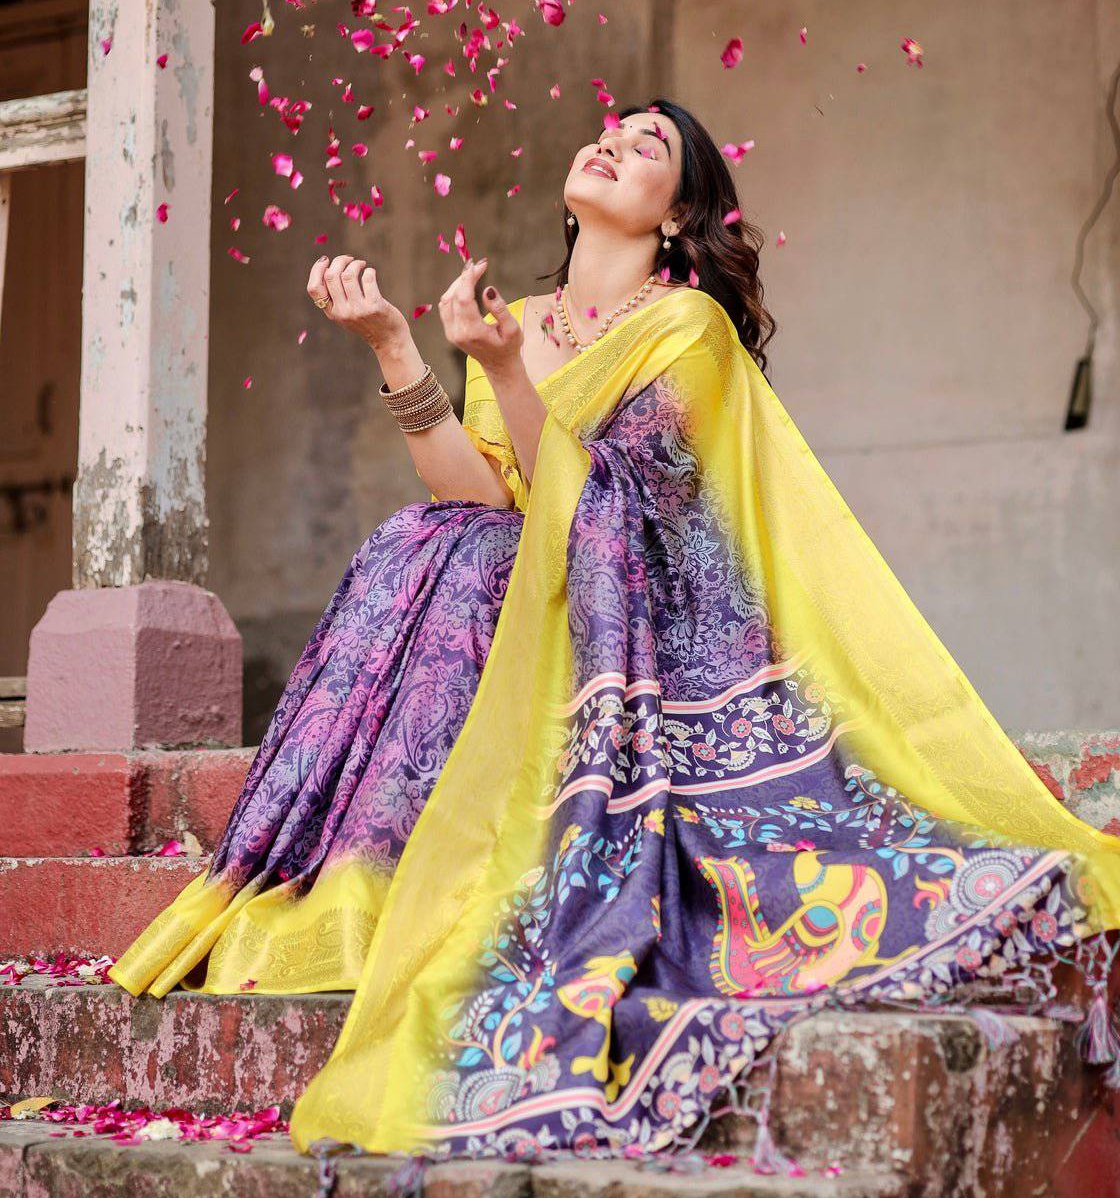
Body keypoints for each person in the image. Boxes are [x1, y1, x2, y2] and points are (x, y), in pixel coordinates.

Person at [109, 99, 1120, 1171]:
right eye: (612, 129)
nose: (612, 143)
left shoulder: (686, 327)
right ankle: (362, 879)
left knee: (467, 549)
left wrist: (503, 369)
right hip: (527, 594)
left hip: (647, 618)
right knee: (433, 537)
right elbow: (489, 494)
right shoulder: (529, 313)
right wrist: (397, 347)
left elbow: (606, 509)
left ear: (680, 212)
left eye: (649, 149)